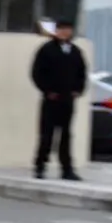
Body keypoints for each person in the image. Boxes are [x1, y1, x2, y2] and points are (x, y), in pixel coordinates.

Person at [31, 18, 86, 180]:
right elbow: (37, 73)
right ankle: (40, 166)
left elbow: (81, 73)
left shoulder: (75, 51)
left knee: (66, 135)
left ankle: (67, 169)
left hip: (68, 100)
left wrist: (77, 90)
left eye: (68, 29)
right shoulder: (46, 50)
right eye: (61, 29)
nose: (65, 32)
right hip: (51, 99)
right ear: (56, 31)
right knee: (46, 134)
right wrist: (47, 90)